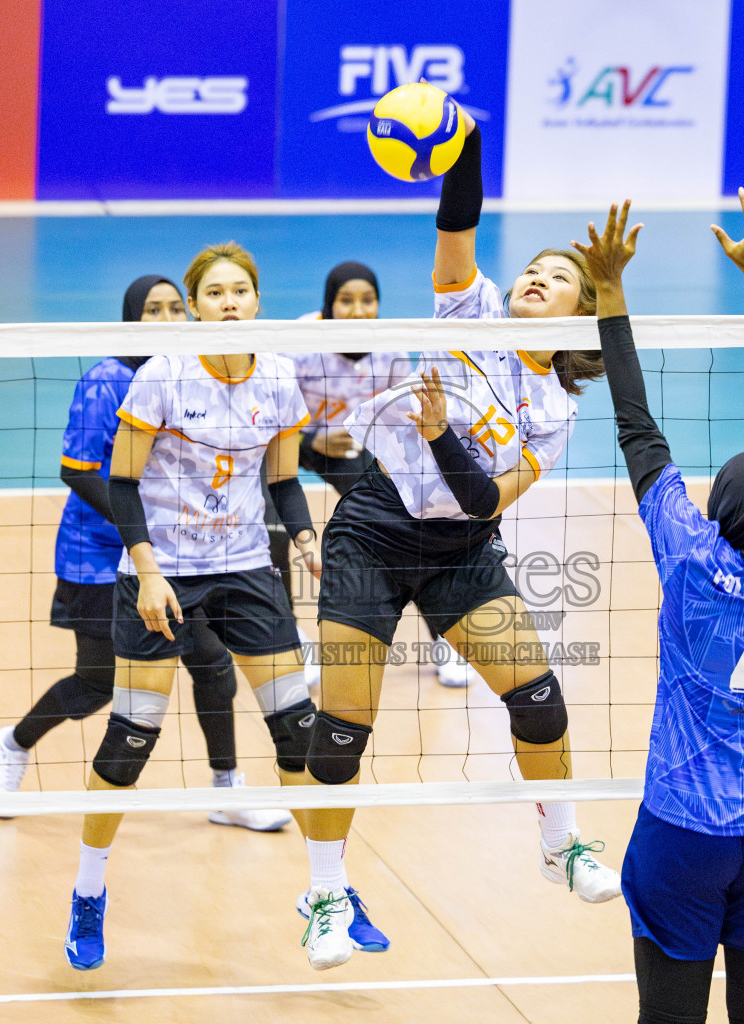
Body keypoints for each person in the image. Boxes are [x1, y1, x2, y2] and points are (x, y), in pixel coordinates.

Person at [293, 109, 621, 973]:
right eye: (533, 269)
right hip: (374, 523)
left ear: (582, 310)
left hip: (459, 548)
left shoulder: (556, 413)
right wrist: (466, 138)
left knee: (541, 698)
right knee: (341, 731)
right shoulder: (467, 304)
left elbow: (482, 502)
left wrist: (442, 433)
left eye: (558, 276)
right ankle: (325, 894)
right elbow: (457, 221)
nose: (536, 278)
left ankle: (563, 843)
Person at [578, 190, 744, 1024]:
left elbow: (638, 433)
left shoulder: (690, 559)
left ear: (718, 511)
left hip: (684, 830)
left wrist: (609, 296)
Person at [64, 245, 331, 970]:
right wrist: (148, 574)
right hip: (163, 572)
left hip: (244, 568)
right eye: (213, 293)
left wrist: (305, 538)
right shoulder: (163, 376)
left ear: (257, 299)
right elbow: (121, 483)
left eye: (240, 290)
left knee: (301, 732)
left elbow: (281, 482)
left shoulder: (277, 375)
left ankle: (330, 894)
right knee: (129, 741)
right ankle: (90, 892)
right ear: (196, 305)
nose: (229, 302)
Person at [0, 276, 290, 834]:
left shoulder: (195, 374)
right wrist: (140, 536)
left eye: (175, 308)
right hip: (99, 557)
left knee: (214, 669)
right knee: (97, 682)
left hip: (184, 558)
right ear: (131, 319)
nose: (167, 319)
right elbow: (77, 471)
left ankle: (227, 788)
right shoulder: (106, 380)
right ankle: (8, 744)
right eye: (153, 310)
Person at [293, 262, 477, 688]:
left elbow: (401, 420)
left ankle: (442, 638)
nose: (358, 311)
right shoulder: (299, 341)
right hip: (293, 443)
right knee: (270, 529)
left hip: (357, 450)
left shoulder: (389, 347)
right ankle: (291, 638)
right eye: (346, 301)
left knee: (407, 523)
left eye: (367, 300)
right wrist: (311, 442)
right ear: (328, 304)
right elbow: (267, 414)